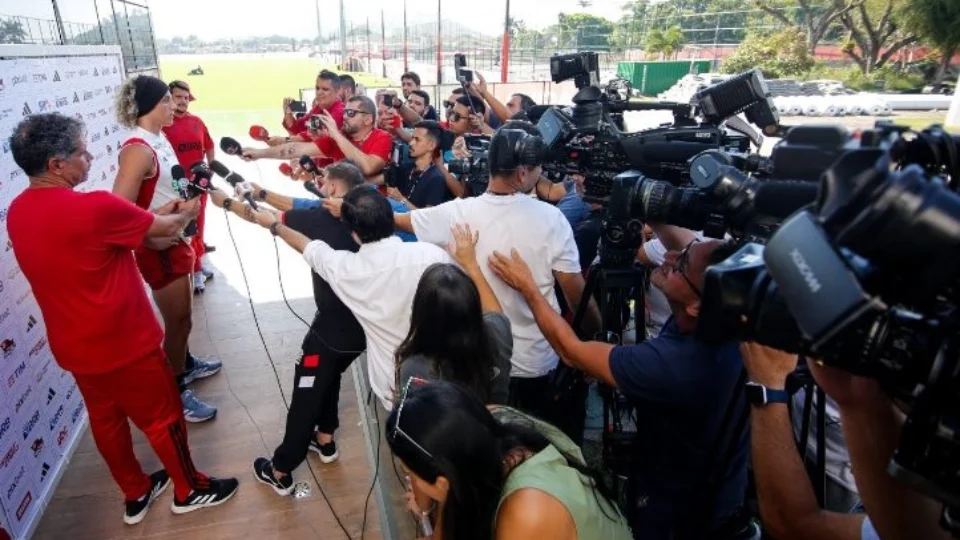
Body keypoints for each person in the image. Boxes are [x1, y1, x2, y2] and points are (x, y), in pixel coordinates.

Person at [6, 113, 238, 524]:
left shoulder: (19, 210)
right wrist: (189, 210)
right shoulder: (95, 207)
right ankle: (190, 489)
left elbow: (124, 232)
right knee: (164, 417)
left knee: (107, 422)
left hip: (75, 348)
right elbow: (163, 230)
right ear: (56, 165)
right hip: (126, 344)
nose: (90, 157)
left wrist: (162, 216)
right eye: (81, 151)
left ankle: (135, 492)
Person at [489, 226, 750, 539]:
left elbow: (572, 352)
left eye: (680, 265)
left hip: (679, 511)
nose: (668, 256)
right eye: (686, 248)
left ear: (696, 306)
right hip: (716, 486)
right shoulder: (731, 313)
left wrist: (527, 286)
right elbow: (695, 257)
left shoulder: (674, 364)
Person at [395, 123, 599, 441]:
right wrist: (594, 337)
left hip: (480, 364)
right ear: (522, 174)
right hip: (538, 363)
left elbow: (400, 220)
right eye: (537, 167)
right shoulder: (551, 219)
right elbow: (577, 297)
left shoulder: (455, 214)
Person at [207, 162, 368, 495]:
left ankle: (281, 469)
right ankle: (325, 440)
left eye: (324, 184)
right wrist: (255, 191)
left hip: (331, 331)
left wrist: (223, 201)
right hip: (363, 329)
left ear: (336, 189)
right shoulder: (371, 214)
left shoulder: (319, 220)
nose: (320, 189)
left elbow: (260, 218)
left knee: (306, 391)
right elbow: (293, 205)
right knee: (332, 373)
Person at [248, 187, 452, 409]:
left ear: (351, 231)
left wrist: (273, 225)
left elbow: (307, 246)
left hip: (394, 386)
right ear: (390, 217)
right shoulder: (433, 255)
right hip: (448, 378)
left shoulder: (345, 270)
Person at [386, 380, 633, 540]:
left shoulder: (528, 512)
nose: (410, 482)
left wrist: (426, 510)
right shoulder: (490, 428)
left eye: (410, 473)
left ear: (443, 482)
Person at [112, 75, 220, 423]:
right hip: (162, 247)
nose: (174, 106)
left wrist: (186, 199)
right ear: (149, 107)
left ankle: (185, 363)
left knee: (184, 322)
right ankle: (175, 391)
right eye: (166, 102)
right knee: (179, 321)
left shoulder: (157, 139)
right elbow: (118, 212)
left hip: (178, 238)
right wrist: (153, 231)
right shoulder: (137, 150)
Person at [396, 224, 512, 405]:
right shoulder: (499, 332)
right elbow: (495, 312)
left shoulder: (416, 368)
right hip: (496, 428)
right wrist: (471, 264)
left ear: (422, 314)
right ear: (473, 305)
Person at [242, 96, 392, 182]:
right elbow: (296, 149)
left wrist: (336, 134)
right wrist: (259, 153)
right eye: (345, 111)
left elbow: (369, 167)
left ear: (368, 120)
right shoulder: (338, 138)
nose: (345, 116)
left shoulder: (382, 137)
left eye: (351, 113)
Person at [162, 79, 216, 293]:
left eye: (186, 97)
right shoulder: (164, 125)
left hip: (199, 187)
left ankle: (198, 266)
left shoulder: (197, 122)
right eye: (178, 97)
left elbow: (210, 146)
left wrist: (210, 169)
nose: (184, 101)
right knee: (187, 231)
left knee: (199, 228)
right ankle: (194, 271)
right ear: (169, 99)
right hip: (176, 190)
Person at [386, 120, 454, 209]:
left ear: (431, 146)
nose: (411, 143)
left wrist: (402, 200)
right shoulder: (406, 168)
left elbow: (427, 219)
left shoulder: (436, 179)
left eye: (417, 139)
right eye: (412, 138)